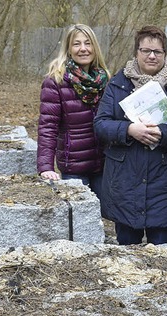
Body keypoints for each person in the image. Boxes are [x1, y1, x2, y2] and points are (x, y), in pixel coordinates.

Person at [94, 26, 167, 245]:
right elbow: (100, 125)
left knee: (164, 253)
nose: (151, 56)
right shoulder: (117, 84)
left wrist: (163, 133)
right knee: (127, 254)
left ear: (165, 55)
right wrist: (129, 130)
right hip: (125, 183)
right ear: (136, 52)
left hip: (164, 184)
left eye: (157, 52)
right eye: (145, 50)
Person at [37, 24, 111, 197]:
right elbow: (48, 127)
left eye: (88, 43)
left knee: (103, 218)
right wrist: (45, 166)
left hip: (103, 164)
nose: (83, 49)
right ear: (69, 49)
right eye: (77, 44)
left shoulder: (104, 79)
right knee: (78, 221)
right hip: (74, 167)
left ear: (95, 47)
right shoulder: (55, 81)